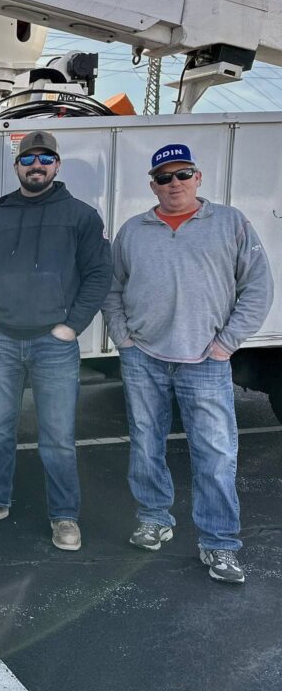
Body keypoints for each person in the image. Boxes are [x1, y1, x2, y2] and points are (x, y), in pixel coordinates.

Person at [103, 143, 273, 584]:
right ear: (152, 185)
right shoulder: (134, 230)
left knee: (215, 454)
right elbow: (112, 287)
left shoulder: (231, 223)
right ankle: (154, 519)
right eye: (164, 177)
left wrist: (227, 343)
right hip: (144, 357)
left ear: (198, 178)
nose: (173, 184)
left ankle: (219, 545)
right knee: (145, 444)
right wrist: (123, 337)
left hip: (206, 360)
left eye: (183, 174)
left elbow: (257, 287)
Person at [0, 130, 111, 551]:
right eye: (29, 159)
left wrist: (71, 327)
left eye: (46, 159)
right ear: (16, 167)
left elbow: (99, 274)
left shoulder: (82, 217)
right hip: (2, 341)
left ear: (57, 166)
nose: (37, 166)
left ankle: (64, 517)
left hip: (55, 344)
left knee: (58, 436)